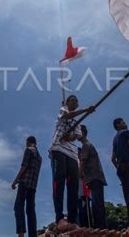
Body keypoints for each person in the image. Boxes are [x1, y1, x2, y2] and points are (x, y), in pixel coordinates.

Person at [49, 95, 95, 230]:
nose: (75, 101)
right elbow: (66, 117)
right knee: (59, 181)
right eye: (72, 99)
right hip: (58, 149)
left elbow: (76, 136)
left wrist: (69, 137)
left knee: (73, 186)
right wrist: (86, 110)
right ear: (67, 102)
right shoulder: (63, 110)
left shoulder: (78, 122)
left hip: (72, 154)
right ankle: (59, 219)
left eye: (76, 100)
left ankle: (71, 219)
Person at [12, 136, 42, 237]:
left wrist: (15, 181)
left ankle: (21, 234)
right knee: (30, 210)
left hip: (24, 183)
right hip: (33, 186)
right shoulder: (39, 157)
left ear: (29, 142)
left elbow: (24, 166)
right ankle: (32, 235)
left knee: (18, 206)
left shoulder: (28, 150)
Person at [79, 124, 108, 230]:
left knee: (97, 206)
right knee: (98, 204)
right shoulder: (87, 145)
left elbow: (83, 162)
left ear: (82, 133)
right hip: (95, 178)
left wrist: (78, 174)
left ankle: (101, 229)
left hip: (95, 178)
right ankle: (102, 228)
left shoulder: (86, 145)